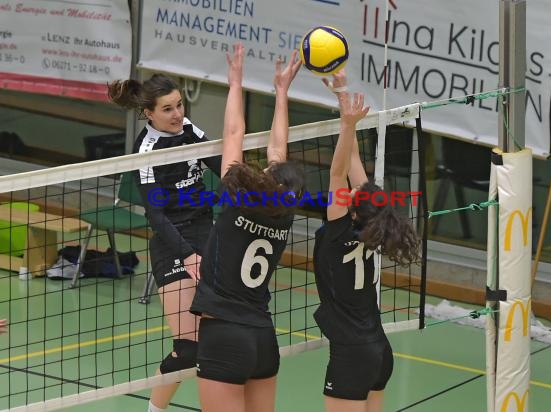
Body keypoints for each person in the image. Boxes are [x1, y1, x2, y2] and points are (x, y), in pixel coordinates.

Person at [190, 44, 303, 412]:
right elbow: (279, 151)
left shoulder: (235, 198)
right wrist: (282, 92)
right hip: (263, 339)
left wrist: (236, 82)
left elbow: (235, 131)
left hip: (224, 336)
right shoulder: (284, 215)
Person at [108, 73, 222, 412]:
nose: (176, 114)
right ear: (149, 113)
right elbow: (156, 216)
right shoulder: (145, 150)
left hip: (206, 231)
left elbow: (220, 164)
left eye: (179, 105)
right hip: (172, 241)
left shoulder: (189, 128)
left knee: (217, 343)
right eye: (167, 109)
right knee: (189, 350)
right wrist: (187, 255)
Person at [312, 70, 421, 412]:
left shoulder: (339, 233)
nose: (353, 186)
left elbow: (336, 171)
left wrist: (347, 126)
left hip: (352, 354)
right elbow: (352, 163)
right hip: (378, 351)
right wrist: (344, 102)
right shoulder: (377, 224)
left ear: (352, 212)